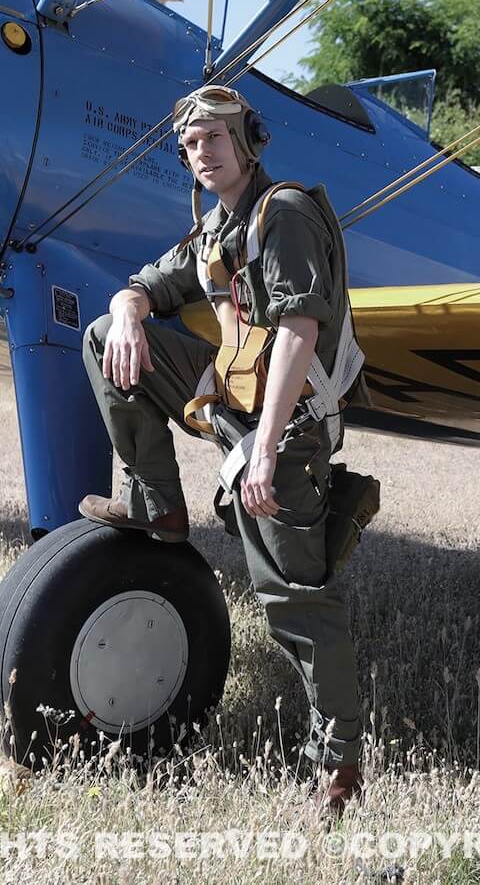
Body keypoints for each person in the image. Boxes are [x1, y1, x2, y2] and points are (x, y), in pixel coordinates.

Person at [79, 84, 374, 817]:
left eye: (213, 137)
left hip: (288, 426)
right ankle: (156, 505)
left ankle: (339, 766)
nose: (200, 153)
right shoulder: (216, 229)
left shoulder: (285, 214)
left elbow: (299, 333)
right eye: (189, 144)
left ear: (248, 140)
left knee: (293, 602)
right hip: (235, 404)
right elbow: (146, 285)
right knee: (103, 338)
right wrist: (126, 312)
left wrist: (265, 452)